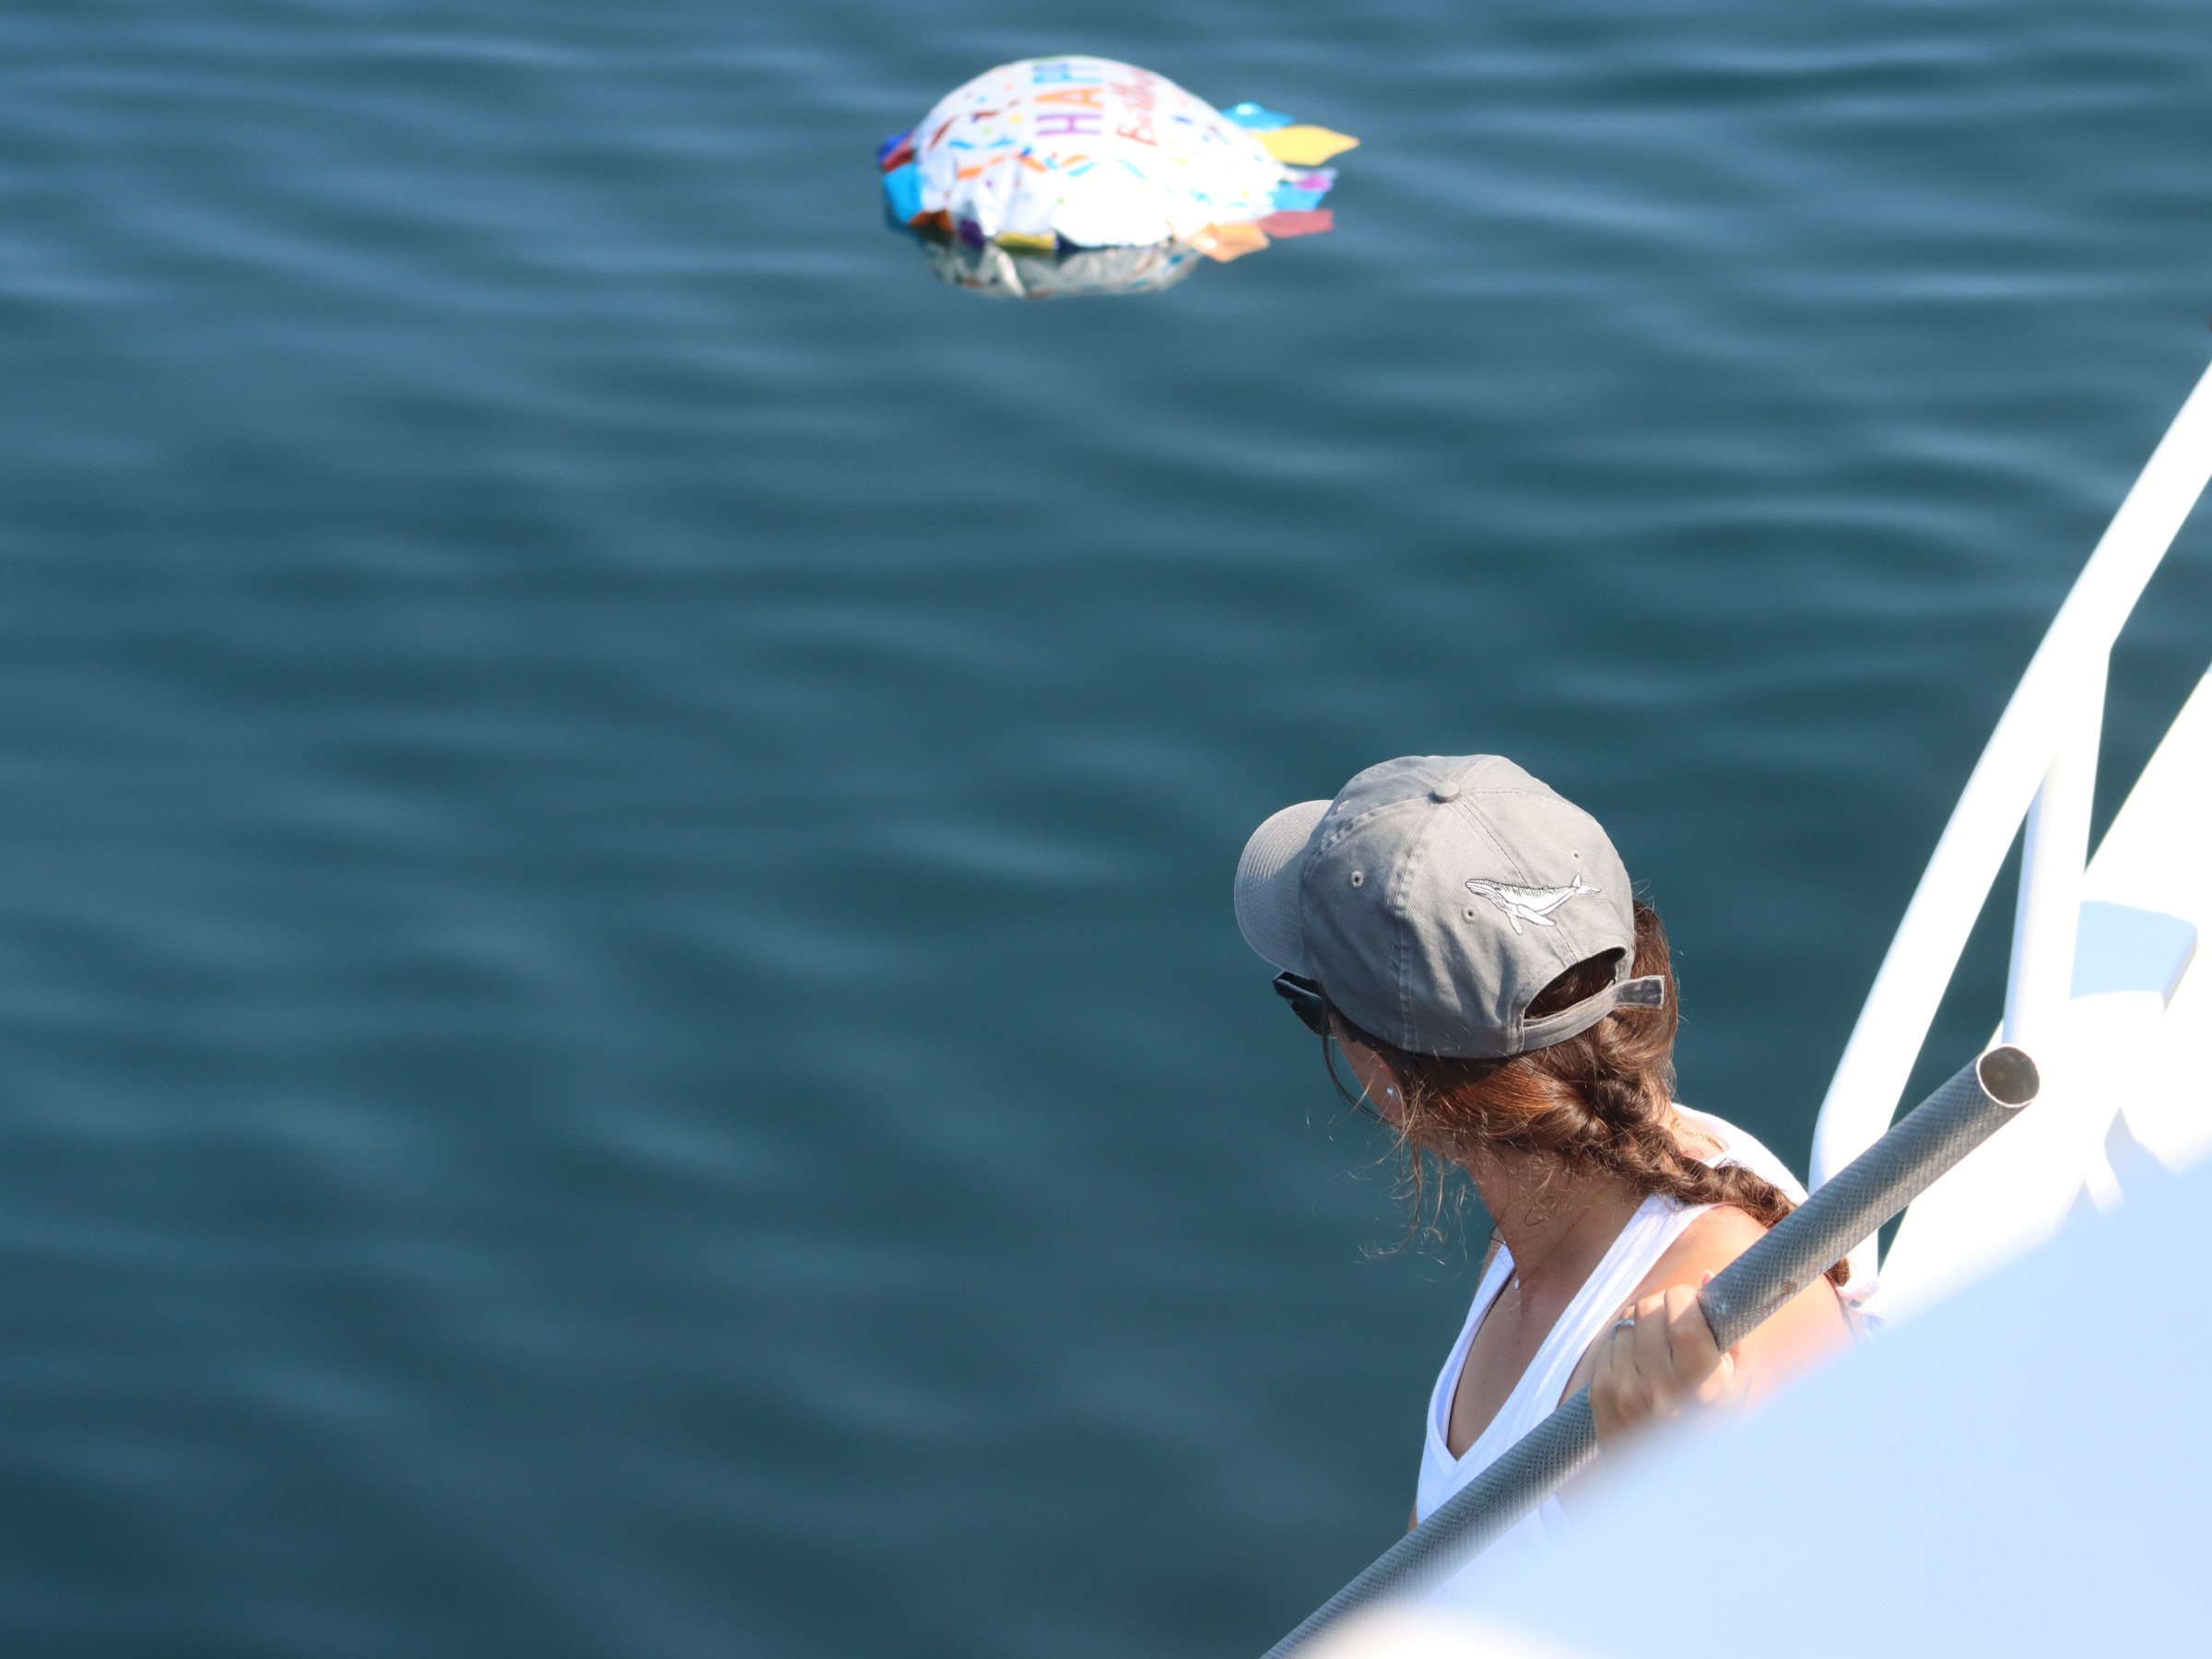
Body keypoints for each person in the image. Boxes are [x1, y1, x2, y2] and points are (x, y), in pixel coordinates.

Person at [1233, 755, 1851, 1550]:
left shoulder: (1728, 1322)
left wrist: (1679, 1493)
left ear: (1392, 1072)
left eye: (1310, 1006)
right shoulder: (1547, 1208)